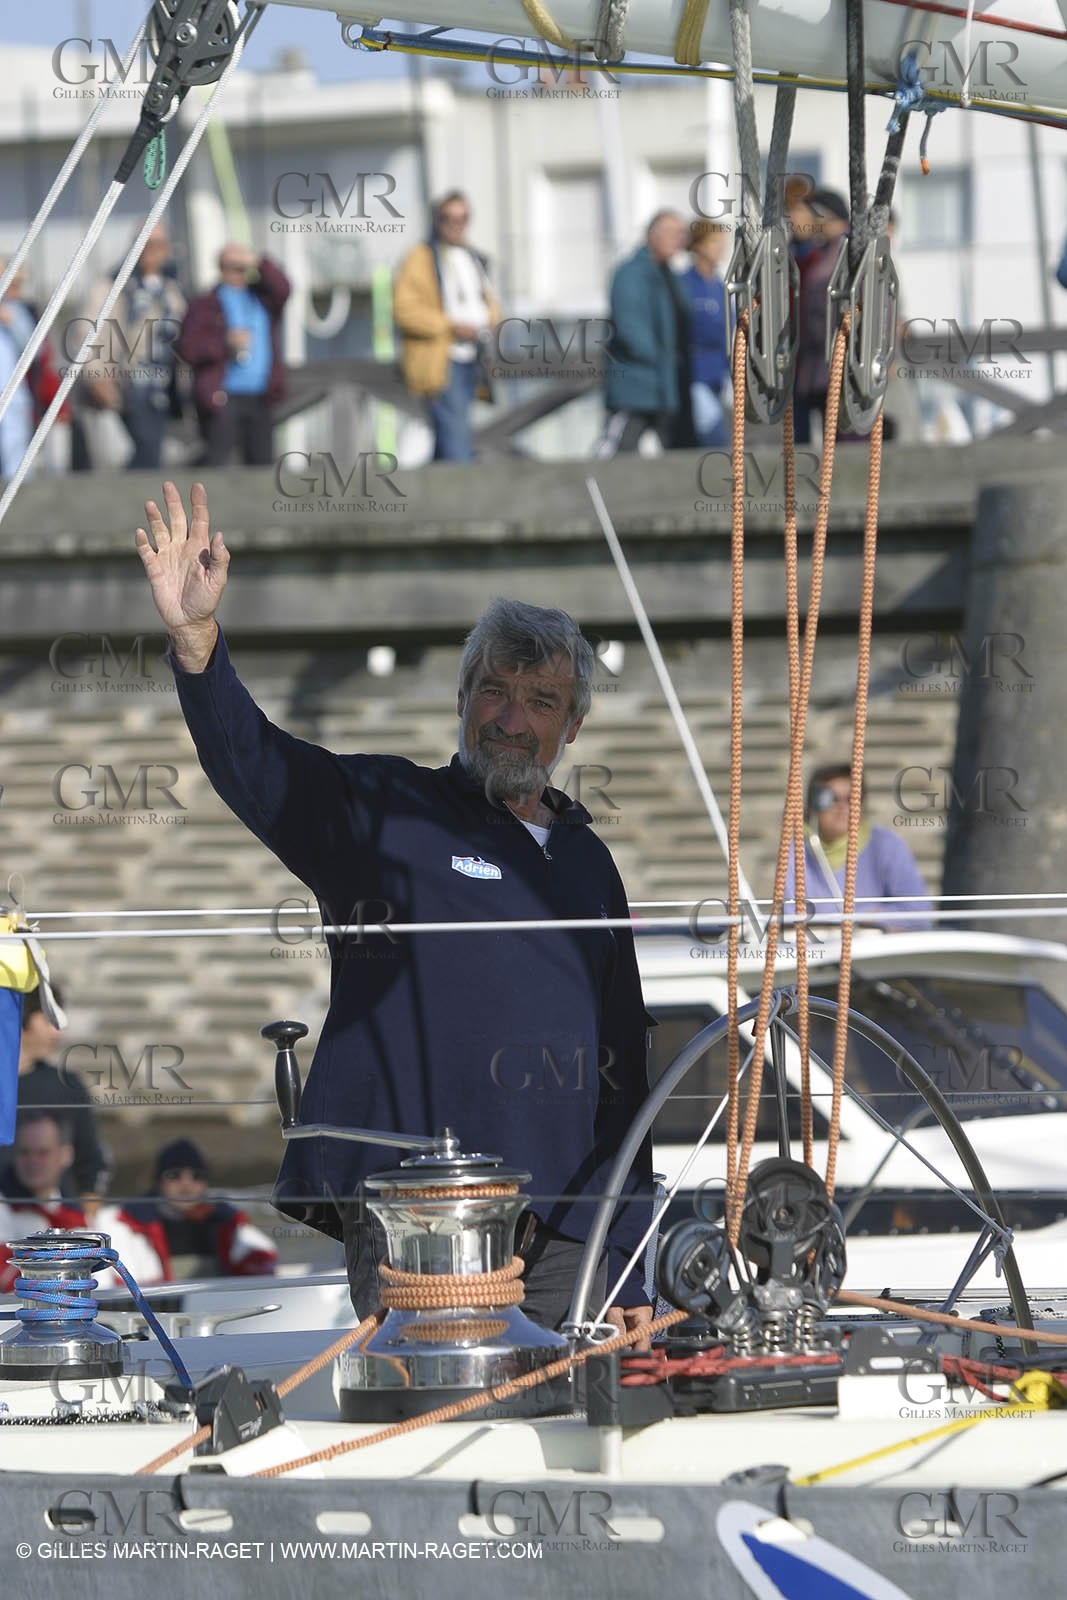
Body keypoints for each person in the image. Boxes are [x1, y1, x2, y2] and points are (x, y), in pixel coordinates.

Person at [133, 481, 654, 1340]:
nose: (511, 720)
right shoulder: (384, 810)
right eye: (494, 691)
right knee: (421, 1413)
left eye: (541, 701)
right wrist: (196, 642)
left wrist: (627, 1235)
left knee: (551, 1422)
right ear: (460, 700)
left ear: (574, 726)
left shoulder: (588, 862)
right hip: (415, 1202)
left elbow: (627, 1065)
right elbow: (257, 768)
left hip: (568, 1217)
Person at [0, 1111, 166, 1291]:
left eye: (43, 1153)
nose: (33, 1161)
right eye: (25, 1153)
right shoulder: (4, 1212)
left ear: (66, 1155)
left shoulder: (91, 1219)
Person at [393, 192, 502, 463]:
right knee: (456, 443)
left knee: (451, 441)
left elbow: (490, 303)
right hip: (441, 362)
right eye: (448, 218)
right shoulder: (420, 258)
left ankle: (443, 500)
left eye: (463, 218)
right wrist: (450, 327)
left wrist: (489, 324)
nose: (456, 224)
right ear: (437, 220)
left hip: (473, 359)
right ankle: (463, 501)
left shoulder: (473, 257)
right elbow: (404, 310)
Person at [82, 221, 186, 471]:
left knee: (156, 452)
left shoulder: (173, 289)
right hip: (128, 384)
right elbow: (89, 334)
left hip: (164, 388)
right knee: (145, 450)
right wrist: (97, 376)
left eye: (158, 244)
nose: (152, 251)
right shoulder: (113, 286)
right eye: (145, 244)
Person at [175, 246, 290, 467]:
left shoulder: (261, 299)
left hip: (260, 396)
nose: (239, 273)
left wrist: (258, 260)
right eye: (233, 267)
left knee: (261, 465)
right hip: (222, 396)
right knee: (216, 462)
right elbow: (188, 347)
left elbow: (283, 288)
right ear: (221, 269)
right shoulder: (205, 304)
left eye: (243, 268)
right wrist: (224, 343)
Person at [784, 763, 932, 931]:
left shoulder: (886, 845)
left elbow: (918, 914)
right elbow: (790, 921)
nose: (842, 807)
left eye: (851, 798)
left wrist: (867, 921)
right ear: (812, 805)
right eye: (830, 798)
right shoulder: (795, 853)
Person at [597, 211, 690, 456]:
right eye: (672, 234)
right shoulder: (630, 274)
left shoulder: (669, 275)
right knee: (616, 451)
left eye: (681, 234)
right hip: (635, 384)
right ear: (652, 236)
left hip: (666, 385)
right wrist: (660, 358)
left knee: (679, 453)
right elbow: (629, 329)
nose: (678, 241)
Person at [124, 1137, 276, 1279]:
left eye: (196, 1176)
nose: (186, 1184)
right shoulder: (130, 1223)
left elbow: (263, 1258)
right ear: (158, 1182)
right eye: (175, 1175)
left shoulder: (226, 1220)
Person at [14, 984, 112, 1200]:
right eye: (49, 1020)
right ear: (21, 1018)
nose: (56, 1032)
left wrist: (85, 1221)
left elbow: (90, 1161)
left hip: (51, 1221)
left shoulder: (66, 1084)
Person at [788, 187, 849, 446]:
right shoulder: (821, 253)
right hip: (813, 364)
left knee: (843, 439)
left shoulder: (845, 253)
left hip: (837, 363)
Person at [681, 220, 731, 449]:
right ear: (698, 246)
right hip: (697, 373)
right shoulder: (685, 284)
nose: (721, 248)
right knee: (713, 434)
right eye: (715, 242)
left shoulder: (719, 285)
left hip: (720, 372)